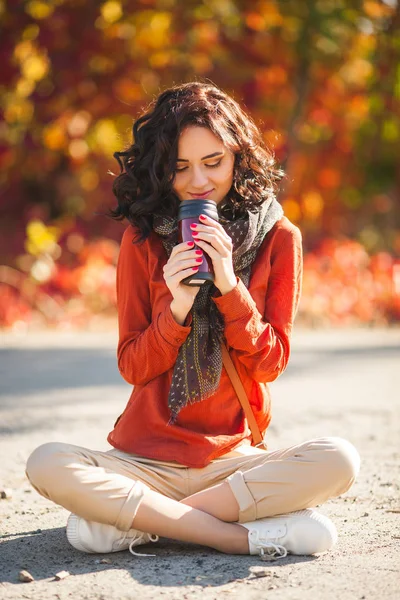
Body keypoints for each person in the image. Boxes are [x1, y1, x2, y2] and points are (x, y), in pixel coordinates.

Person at [26, 82, 360, 561]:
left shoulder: (280, 238)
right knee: (47, 462)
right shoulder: (142, 240)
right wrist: (177, 308)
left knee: (339, 459)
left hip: (230, 463)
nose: (198, 182)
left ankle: (144, 522)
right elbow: (133, 366)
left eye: (213, 162)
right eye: (180, 168)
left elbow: (270, 363)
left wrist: (229, 287)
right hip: (143, 460)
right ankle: (235, 535)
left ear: (237, 157)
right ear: (161, 171)